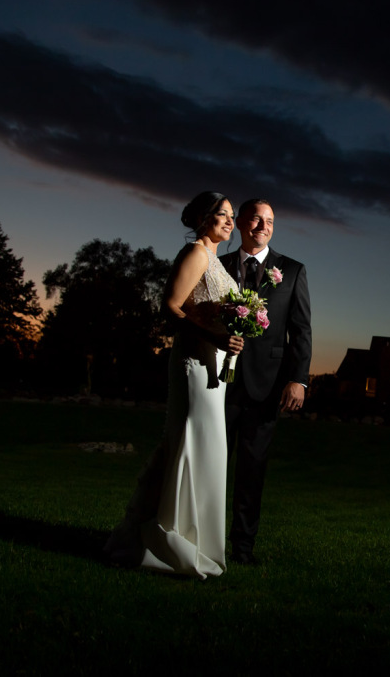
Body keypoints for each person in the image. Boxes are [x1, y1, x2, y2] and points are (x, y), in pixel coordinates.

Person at [104, 191, 243, 579]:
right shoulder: (196, 253)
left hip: (216, 369)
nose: (230, 222)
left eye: (232, 216)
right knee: (188, 443)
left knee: (206, 447)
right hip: (194, 365)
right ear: (202, 218)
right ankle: (167, 539)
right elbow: (171, 305)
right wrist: (215, 338)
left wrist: (236, 332)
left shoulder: (213, 258)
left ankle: (193, 539)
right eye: (223, 215)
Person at [221, 199, 312, 565]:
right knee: (211, 464)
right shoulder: (219, 265)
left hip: (268, 385)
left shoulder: (291, 270)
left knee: (252, 471)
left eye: (270, 221)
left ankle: (242, 549)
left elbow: (301, 330)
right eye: (256, 219)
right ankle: (202, 539)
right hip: (219, 383)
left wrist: (299, 380)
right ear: (241, 222)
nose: (263, 226)